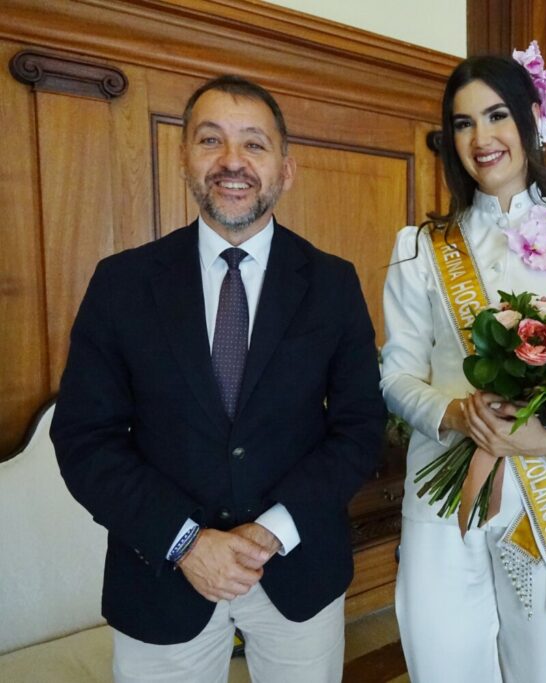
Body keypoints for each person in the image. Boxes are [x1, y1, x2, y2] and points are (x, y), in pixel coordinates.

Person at [50, 75, 385, 682]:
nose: (232, 161)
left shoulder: (333, 284)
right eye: (211, 140)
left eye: (254, 145)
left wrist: (273, 530)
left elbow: (359, 428)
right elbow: (84, 439)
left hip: (298, 571)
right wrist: (185, 542)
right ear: (184, 158)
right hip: (160, 575)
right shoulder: (122, 284)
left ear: (286, 169)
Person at [380, 49, 546, 683]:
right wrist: (455, 413)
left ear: (531, 119)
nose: (482, 138)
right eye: (463, 123)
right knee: (441, 665)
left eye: (497, 116)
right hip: (443, 490)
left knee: (543, 671)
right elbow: (395, 372)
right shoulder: (417, 247)